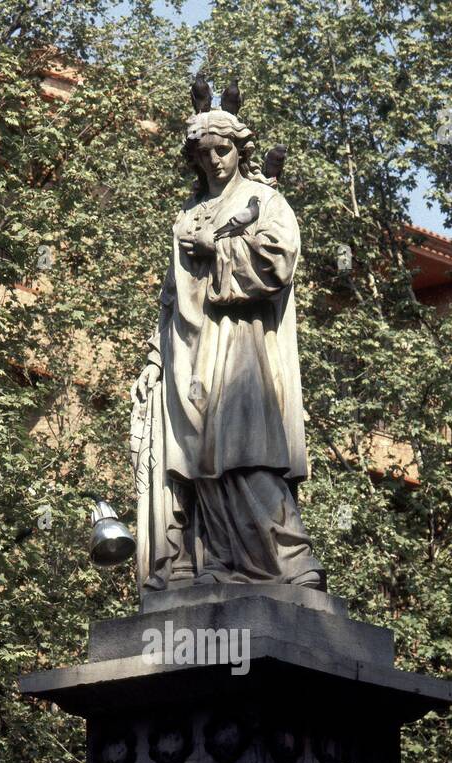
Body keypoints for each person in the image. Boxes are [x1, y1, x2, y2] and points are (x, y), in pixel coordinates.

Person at [131, 80, 322, 595]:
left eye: (224, 149)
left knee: (245, 454)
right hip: (188, 355)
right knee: (197, 463)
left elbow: (275, 265)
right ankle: (218, 560)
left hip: (242, 349)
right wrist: (154, 359)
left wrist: (214, 251)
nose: (215, 160)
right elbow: (171, 298)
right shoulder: (187, 216)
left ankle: (292, 563)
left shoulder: (265, 199)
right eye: (204, 152)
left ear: (241, 149)